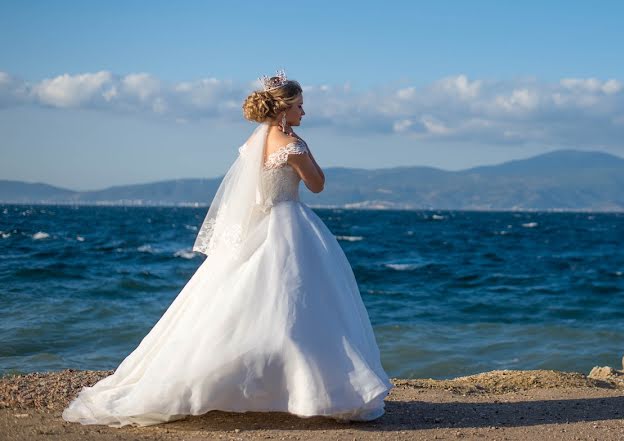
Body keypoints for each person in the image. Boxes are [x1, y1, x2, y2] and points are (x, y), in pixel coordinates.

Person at [61, 69, 394, 427]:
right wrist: (304, 147)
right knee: (297, 307)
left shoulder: (254, 143)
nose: (304, 113)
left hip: (258, 227)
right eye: (299, 106)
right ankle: (304, 389)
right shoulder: (292, 146)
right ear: (283, 110)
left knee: (238, 305)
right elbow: (317, 185)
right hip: (289, 224)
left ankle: (243, 384)